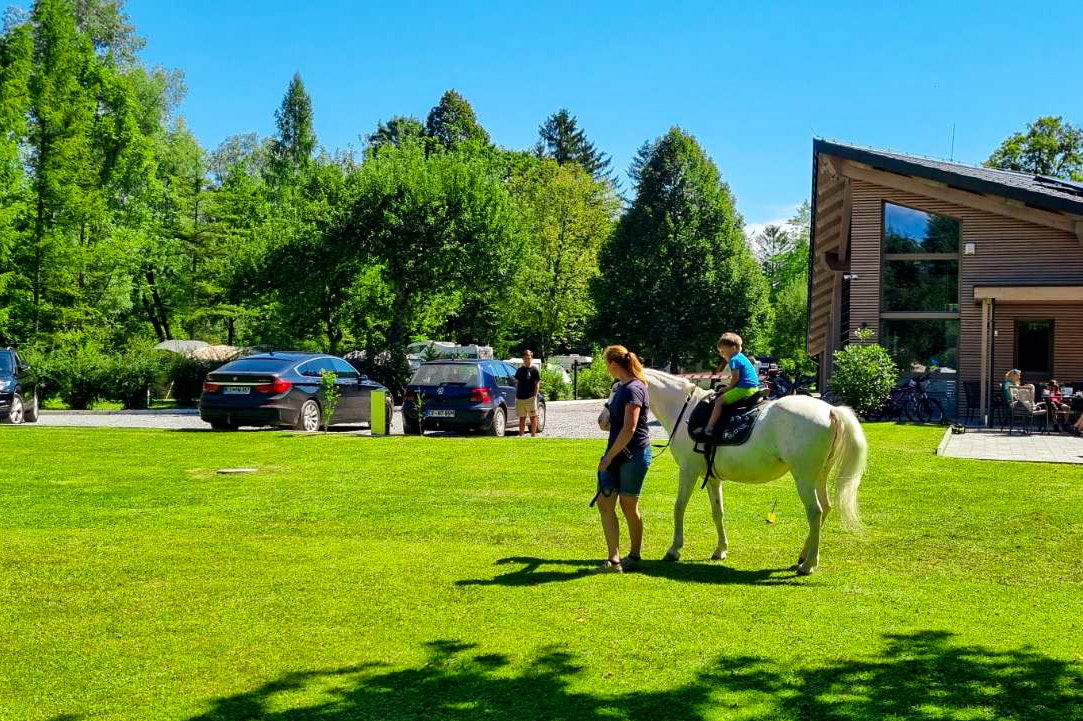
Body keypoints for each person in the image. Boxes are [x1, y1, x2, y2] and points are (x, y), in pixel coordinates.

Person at [590, 345, 652, 574]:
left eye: (606, 364)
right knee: (605, 502)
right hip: (617, 451)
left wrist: (608, 457)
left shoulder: (634, 388)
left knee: (628, 505)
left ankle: (634, 555)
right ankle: (614, 560)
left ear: (614, 364)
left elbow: (630, 428)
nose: (606, 368)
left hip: (633, 454)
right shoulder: (620, 387)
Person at [693, 332, 761, 439]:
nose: (721, 354)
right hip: (753, 387)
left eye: (723, 351)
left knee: (718, 402)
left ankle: (709, 427)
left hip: (744, 389)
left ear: (733, 348)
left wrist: (728, 388)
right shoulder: (741, 357)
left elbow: (735, 378)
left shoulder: (734, 359)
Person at [514, 350, 541, 437]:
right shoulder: (519, 370)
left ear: (531, 358)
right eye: (525, 358)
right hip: (520, 398)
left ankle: (533, 436)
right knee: (522, 418)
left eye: (529, 358)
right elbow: (516, 383)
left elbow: (537, 383)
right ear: (523, 359)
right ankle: (521, 435)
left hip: (530, 398)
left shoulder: (534, 370)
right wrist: (516, 395)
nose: (527, 360)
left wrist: (535, 395)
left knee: (533, 417)